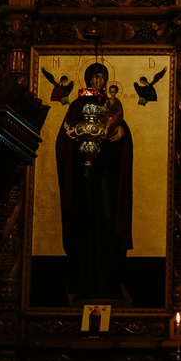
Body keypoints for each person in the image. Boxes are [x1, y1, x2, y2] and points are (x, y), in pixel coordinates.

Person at [56, 63, 131, 299]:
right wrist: (78, 142)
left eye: (102, 77)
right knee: (83, 223)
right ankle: (79, 285)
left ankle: (112, 285)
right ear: (89, 80)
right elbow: (64, 140)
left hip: (107, 177)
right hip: (83, 178)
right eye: (95, 77)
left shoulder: (112, 105)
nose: (99, 82)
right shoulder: (77, 106)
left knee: (108, 220)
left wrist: (120, 134)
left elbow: (121, 134)